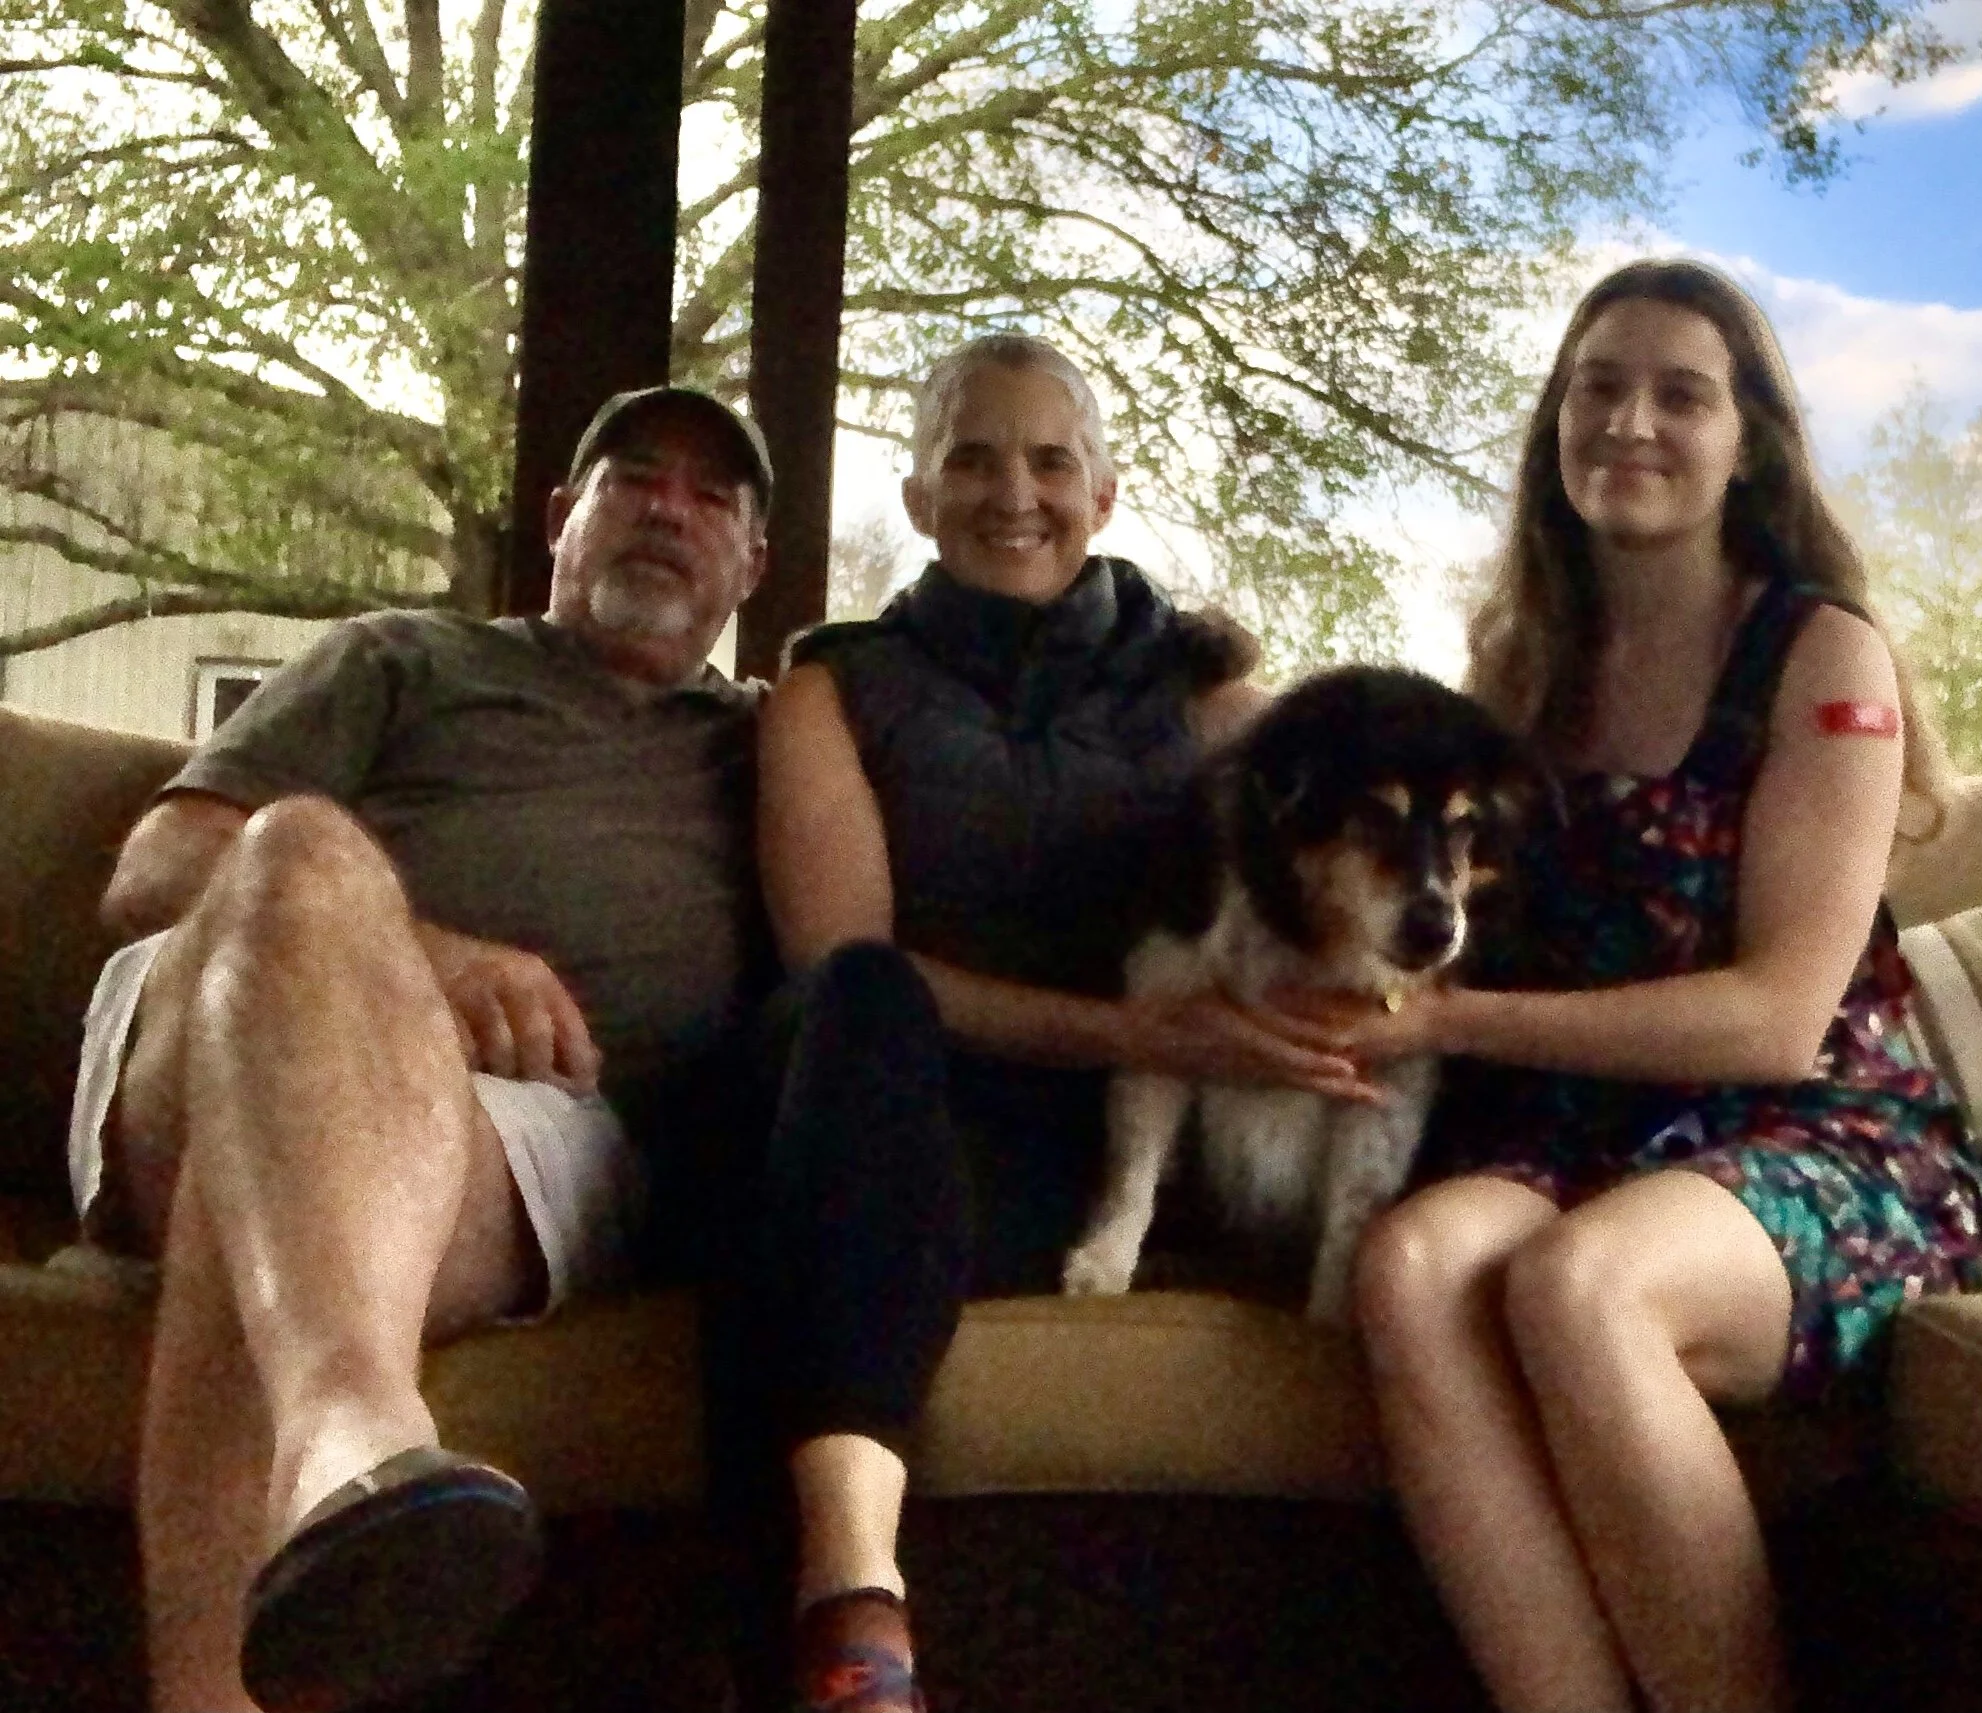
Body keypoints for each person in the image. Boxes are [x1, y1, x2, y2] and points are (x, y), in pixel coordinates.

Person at [1293, 259, 1982, 1713]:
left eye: (1681, 395)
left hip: (1816, 1132)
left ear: (1750, 446)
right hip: (1583, 1133)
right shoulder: (1520, 667)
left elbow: (1777, 1020)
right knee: (1409, 1269)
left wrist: (1454, 1020)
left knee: (1583, 1285)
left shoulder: (1818, 653)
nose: (1629, 422)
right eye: (1598, 388)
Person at [69, 384, 773, 1713]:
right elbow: (158, 868)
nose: (669, 511)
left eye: (712, 497)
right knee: (297, 848)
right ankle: (352, 1424)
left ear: (753, 564)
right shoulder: (402, 657)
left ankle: (316, 1502)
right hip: (218, 1013)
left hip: (524, 1134)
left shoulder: (767, 743)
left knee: (268, 1188)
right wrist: (431, 958)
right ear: (560, 519)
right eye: (634, 479)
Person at [728, 332, 1372, 1712]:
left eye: (1050, 461)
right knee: (861, 999)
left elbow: (1359, 849)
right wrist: (1150, 1038)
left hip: (1104, 1158)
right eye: (972, 460)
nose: (1013, 494)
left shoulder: (1205, 693)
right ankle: (854, 1600)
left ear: (1105, 494)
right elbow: (840, 959)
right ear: (918, 497)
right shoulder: (831, 688)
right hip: (886, 1112)